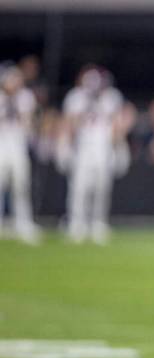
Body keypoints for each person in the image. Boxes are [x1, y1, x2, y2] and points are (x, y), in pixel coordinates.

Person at [58, 66, 131, 244]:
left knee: (102, 187)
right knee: (79, 187)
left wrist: (119, 147)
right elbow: (68, 123)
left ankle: (98, 223)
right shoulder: (76, 97)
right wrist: (64, 146)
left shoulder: (111, 97)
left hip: (103, 147)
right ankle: (77, 223)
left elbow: (116, 124)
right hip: (83, 146)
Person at [0, 63, 40, 244]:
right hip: (1, 144)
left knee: (21, 186)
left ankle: (23, 223)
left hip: (18, 145)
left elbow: (29, 122)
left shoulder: (25, 97)